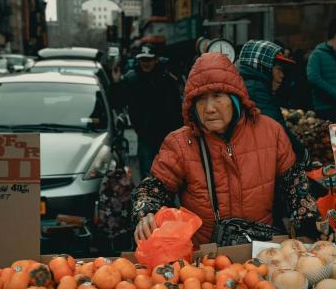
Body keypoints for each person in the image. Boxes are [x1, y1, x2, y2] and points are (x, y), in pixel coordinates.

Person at [131, 53, 321, 245]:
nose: (209, 108)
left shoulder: (271, 132)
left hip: (262, 250)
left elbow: (295, 187)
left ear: (235, 98)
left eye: (217, 96)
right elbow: (153, 188)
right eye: (201, 99)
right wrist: (147, 211)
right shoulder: (180, 143)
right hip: (205, 259)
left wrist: (308, 227)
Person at [113, 44, 183, 179]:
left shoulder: (167, 78)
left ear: (155, 60)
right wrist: (116, 83)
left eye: (149, 59)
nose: (146, 63)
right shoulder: (131, 79)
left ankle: (165, 198)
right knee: (147, 174)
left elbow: (176, 105)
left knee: (168, 174)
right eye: (143, 60)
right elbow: (117, 101)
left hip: (167, 135)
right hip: (145, 135)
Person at [237, 40, 310, 167]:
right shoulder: (255, 90)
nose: (282, 76)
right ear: (264, 67)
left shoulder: (251, 84)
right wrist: (303, 154)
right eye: (279, 70)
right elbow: (278, 129)